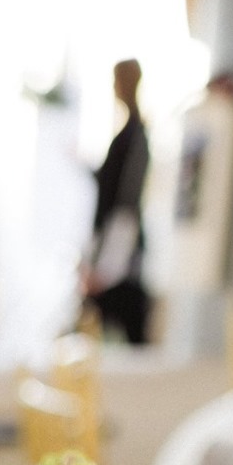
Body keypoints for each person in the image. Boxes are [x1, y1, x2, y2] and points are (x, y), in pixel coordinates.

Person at [82, 58, 151, 345]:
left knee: (121, 327)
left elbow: (126, 203)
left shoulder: (135, 136)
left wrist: (107, 263)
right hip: (112, 242)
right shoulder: (127, 134)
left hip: (120, 246)